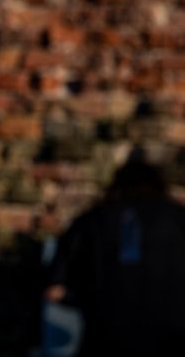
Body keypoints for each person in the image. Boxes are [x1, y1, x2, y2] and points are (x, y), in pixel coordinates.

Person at [45, 151, 185, 356]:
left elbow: (54, 290)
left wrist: (90, 300)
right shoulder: (180, 220)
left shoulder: (90, 222)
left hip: (105, 340)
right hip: (172, 342)